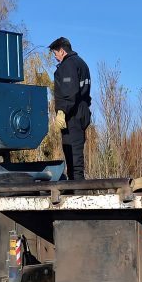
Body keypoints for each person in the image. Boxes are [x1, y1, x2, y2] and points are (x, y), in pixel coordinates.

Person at [49, 36, 92, 180]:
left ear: (62, 51)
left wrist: (62, 111)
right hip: (82, 110)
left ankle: (78, 189)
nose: (55, 57)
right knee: (75, 151)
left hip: (72, 113)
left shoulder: (68, 65)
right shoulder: (82, 63)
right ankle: (75, 185)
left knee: (73, 154)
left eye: (55, 53)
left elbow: (70, 91)